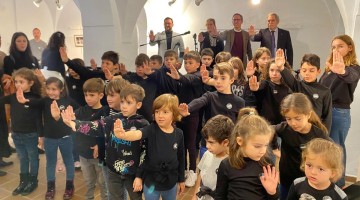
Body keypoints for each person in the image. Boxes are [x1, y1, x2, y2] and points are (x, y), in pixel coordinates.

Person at [61, 83, 147, 200]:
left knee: (135, 198)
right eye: (122, 102)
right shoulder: (112, 119)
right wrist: (74, 123)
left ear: (138, 104)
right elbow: (95, 126)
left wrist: (139, 176)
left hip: (132, 174)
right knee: (115, 197)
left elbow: (145, 152)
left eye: (128, 103)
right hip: (113, 172)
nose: (124, 106)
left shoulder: (143, 124)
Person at [17, 77, 79, 200]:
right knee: (50, 162)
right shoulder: (45, 101)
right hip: (50, 138)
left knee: (68, 161)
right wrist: (24, 100)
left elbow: (80, 110)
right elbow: (33, 102)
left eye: (54, 89)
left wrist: (74, 118)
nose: (51, 92)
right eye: (48, 89)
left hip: (66, 137)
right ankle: (50, 187)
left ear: (61, 89)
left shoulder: (67, 100)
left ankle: (69, 186)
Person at [113, 94, 186, 200]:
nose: (160, 115)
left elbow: (181, 157)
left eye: (165, 112)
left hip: (171, 182)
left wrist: (181, 179)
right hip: (151, 181)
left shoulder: (179, 133)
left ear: (174, 114)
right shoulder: (151, 129)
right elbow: (137, 134)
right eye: (157, 111)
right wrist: (123, 135)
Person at [319, 34, 360, 188]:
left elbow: (351, 77)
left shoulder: (353, 69)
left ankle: (339, 184)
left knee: (336, 148)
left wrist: (342, 71)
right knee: (324, 148)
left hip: (338, 112)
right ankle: (326, 181)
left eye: (340, 46)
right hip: (324, 111)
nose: (336, 49)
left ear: (350, 48)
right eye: (334, 46)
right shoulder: (329, 68)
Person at [180, 62, 245, 158]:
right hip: (209, 145)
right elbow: (199, 101)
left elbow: (240, 126)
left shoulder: (239, 102)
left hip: (228, 146)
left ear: (231, 80)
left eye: (223, 78)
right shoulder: (210, 96)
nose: (218, 81)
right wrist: (188, 108)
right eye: (215, 78)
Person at [274, 93, 329, 200]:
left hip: (308, 184)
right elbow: (267, 131)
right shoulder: (284, 128)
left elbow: (329, 160)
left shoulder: (319, 135)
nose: (293, 123)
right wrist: (274, 147)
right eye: (288, 119)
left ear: (308, 115)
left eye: (297, 119)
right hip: (286, 182)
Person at [214, 108, 279, 199]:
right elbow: (220, 196)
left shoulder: (267, 164)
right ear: (240, 141)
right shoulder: (227, 165)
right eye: (257, 146)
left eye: (266, 145)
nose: (263, 151)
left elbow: (275, 197)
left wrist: (272, 192)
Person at [0, 68, 43, 195]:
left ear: (31, 83)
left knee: (33, 157)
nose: (18, 84)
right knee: (23, 158)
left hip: (30, 134)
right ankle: (23, 181)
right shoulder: (13, 97)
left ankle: (33, 181)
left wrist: (41, 135)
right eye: (16, 82)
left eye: (21, 82)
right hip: (16, 134)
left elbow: (38, 118)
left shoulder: (35, 99)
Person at [167, 51, 206, 187]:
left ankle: (192, 171)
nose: (187, 65)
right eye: (186, 63)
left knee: (191, 144)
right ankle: (182, 169)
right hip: (179, 114)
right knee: (180, 143)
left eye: (190, 63)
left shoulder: (197, 77)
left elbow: (188, 80)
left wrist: (179, 77)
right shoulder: (183, 77)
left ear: (198, 64)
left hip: (192, 115)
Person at [70, 78, 108, 200]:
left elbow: (107, 133)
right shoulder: (81, 111)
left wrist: (99, 144)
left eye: (92, 95)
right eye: (86, 95)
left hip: (99, 156)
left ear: (101, 95)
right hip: (83, 155)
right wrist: (61, 117)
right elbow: (71, 121)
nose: (88, 98)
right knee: (89, 181)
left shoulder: (106, 112)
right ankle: (89, 197)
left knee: (103, 183)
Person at [276, 50, 332, 131]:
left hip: (315, 129)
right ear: (300, 70)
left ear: (318, 71)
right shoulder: (297, 86)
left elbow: (327, 117)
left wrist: (325, 135)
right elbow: (290, 79)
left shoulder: (325, 91)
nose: (307, 73)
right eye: (304, 70)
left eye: (311, 70)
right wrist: (281, 67)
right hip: (297, 128)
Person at [192, 115, 234, 200]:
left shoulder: (232, 163)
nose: (207, 146)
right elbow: (201, 174)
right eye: (206, 141)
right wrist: (194, 194)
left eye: (211, 142)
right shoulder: (207, 154)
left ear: (225, 142)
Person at [249, 59, 292, 125]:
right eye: (272, 70)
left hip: (283, 123)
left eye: (278, 71)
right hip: (267, 124)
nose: (274, 73)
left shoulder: (287, 88)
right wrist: (255, 90)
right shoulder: (265, 84)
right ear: (268, 71)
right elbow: (259, 93)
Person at [122, 53, 157, 122]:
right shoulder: (132, 77)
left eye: (142, 67)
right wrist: (112, 77)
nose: (140, 69)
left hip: (149, 115)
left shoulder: (154, 78)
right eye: (138, 67)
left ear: (148, 66)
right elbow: (122, 78)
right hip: (135, 113)